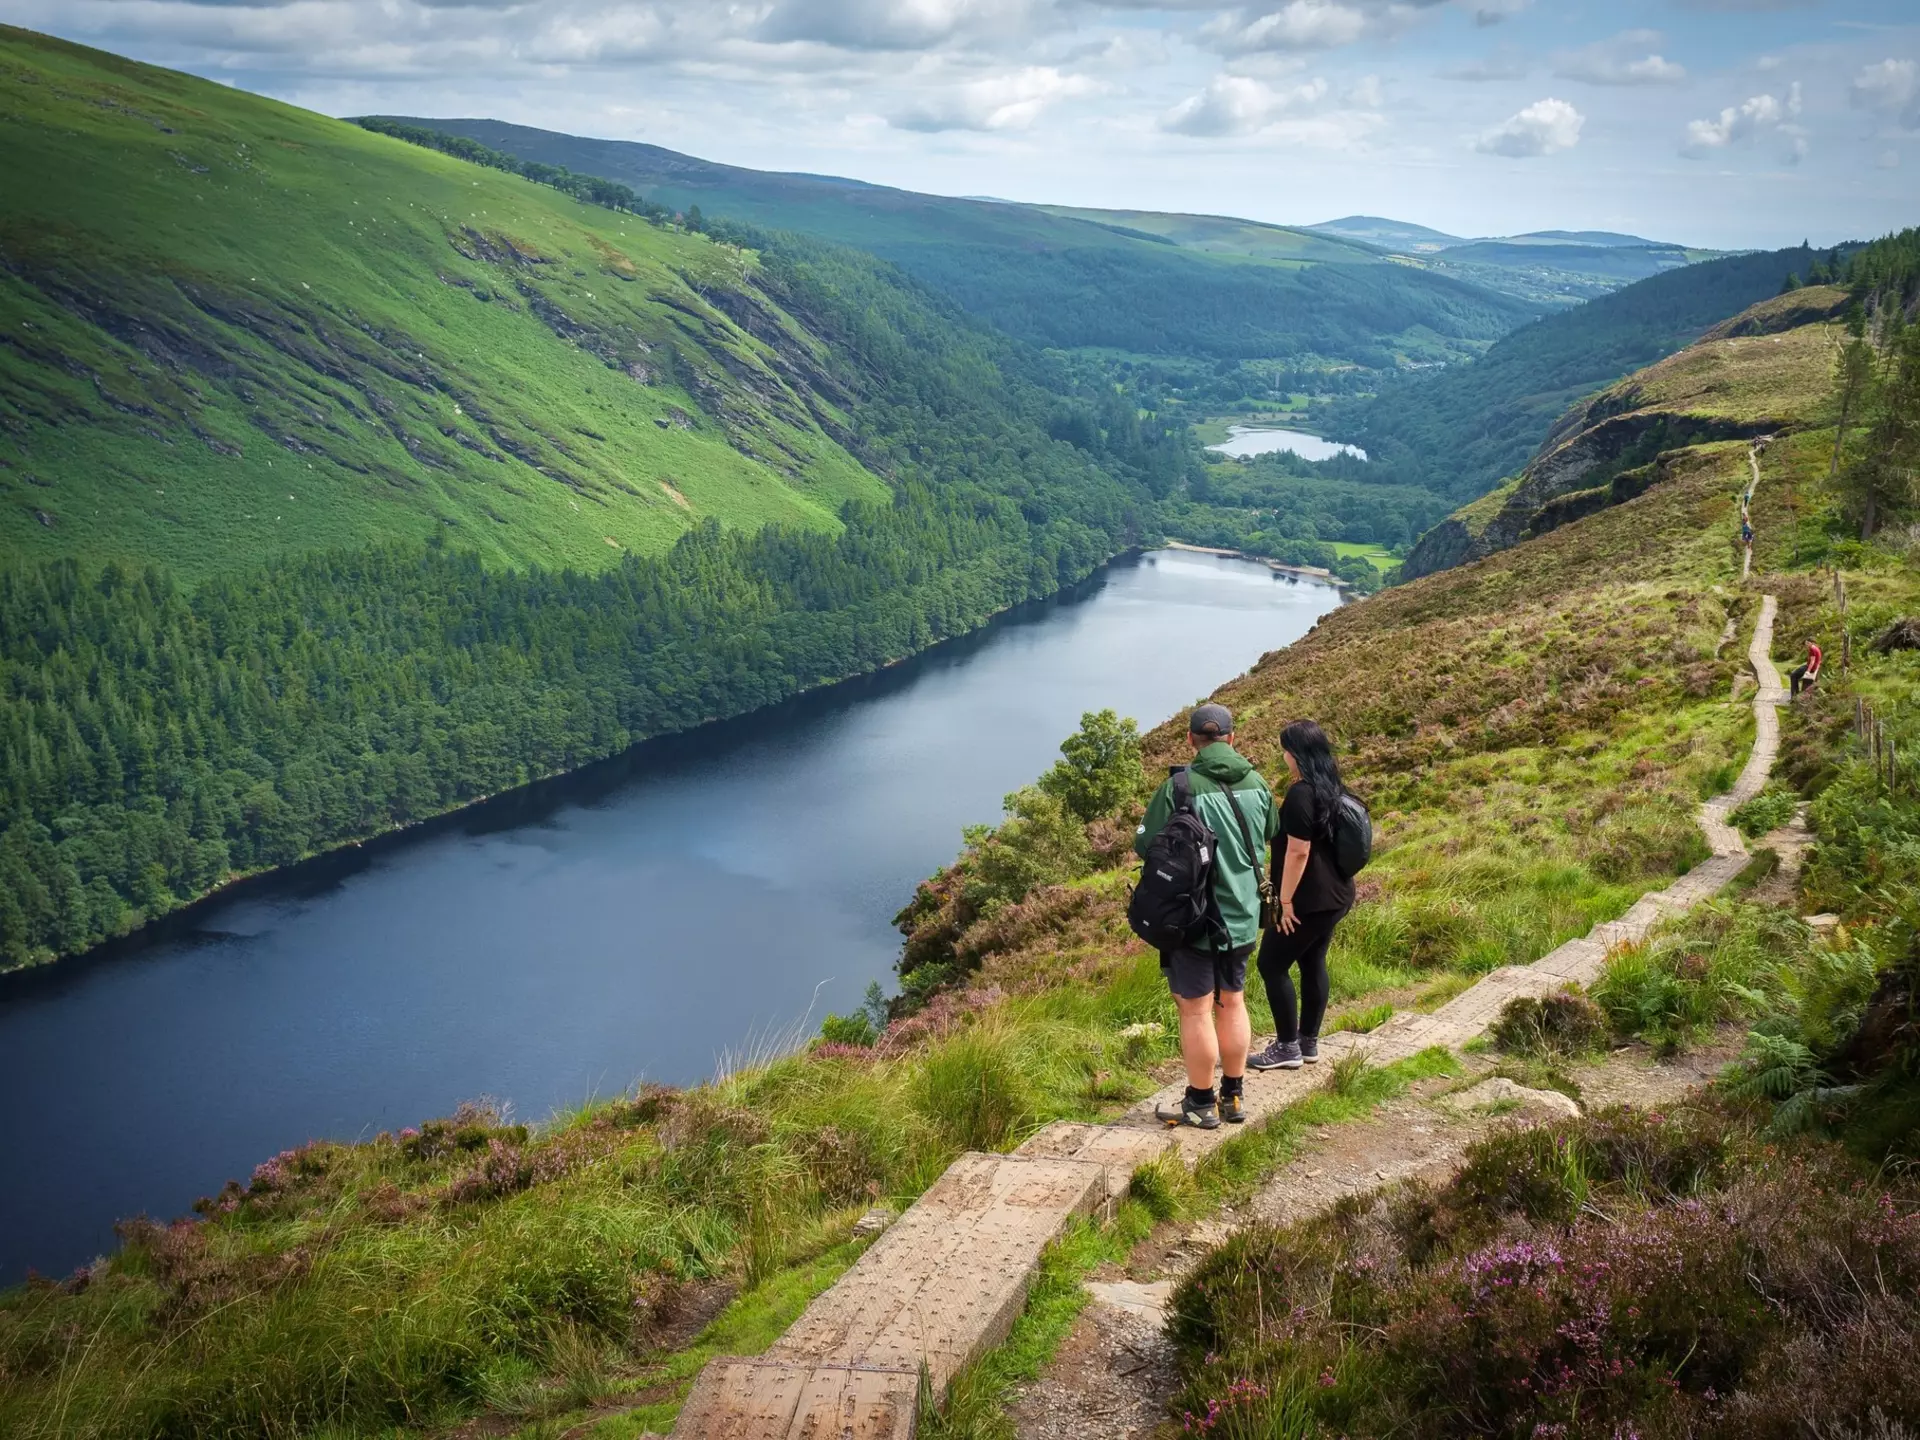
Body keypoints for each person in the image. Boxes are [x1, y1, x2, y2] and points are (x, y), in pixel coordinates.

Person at [1134, 702, 1278, 1129]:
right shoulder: (1258, 782)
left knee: (1195, 1011)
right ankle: (1232, 1097)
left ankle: (1200, 1102)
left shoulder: (1181, 787)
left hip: (1193, 919)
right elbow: (1270, 832)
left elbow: (1146, 846)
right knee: (1233, 1001)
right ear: (1232, 738)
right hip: (1243, 916)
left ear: (1191, 740)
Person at [1248, 720, 1356, 1071]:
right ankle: (1307, 1042)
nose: (1283, 756)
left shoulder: (1300, 792)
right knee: (1312, 961)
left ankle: (1287, 1047)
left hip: (1309, 901)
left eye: (1284, 750)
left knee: (1271, 964)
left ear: (1294, 753)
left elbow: (1298, 851)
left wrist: (1286, 901)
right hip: (1337, 894)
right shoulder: (1333, 788)